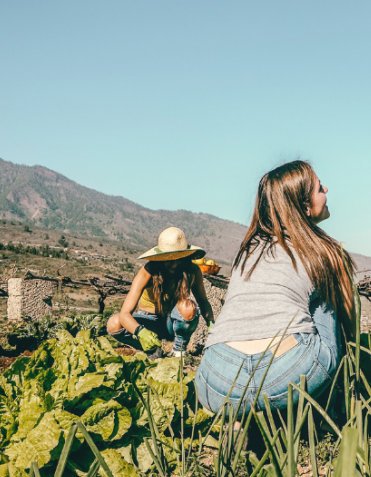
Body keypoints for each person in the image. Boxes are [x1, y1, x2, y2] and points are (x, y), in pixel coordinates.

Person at [194, 160, 356, 414]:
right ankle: (331, 403)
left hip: (216, 381)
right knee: (326, 296)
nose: (326, 189)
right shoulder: (324, 252)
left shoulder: (248, 250)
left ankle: (239, 418)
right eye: (318, 188)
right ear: (304, 206)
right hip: (288, 375)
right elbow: (348, 322)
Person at [106, 226, 215, 357]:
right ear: (160, 257)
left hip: (172, 323)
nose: (174, 264)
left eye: (179, 258)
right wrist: (140, 332)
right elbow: (125, 313)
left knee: (187, 307)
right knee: (114, 323)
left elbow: (202, 301)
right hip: (148, 321)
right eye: (169, 258)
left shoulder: (193, 271)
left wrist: (211, 324)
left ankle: (178, 352)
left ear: (185, 257)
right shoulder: (148, 271)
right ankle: (151, 349)